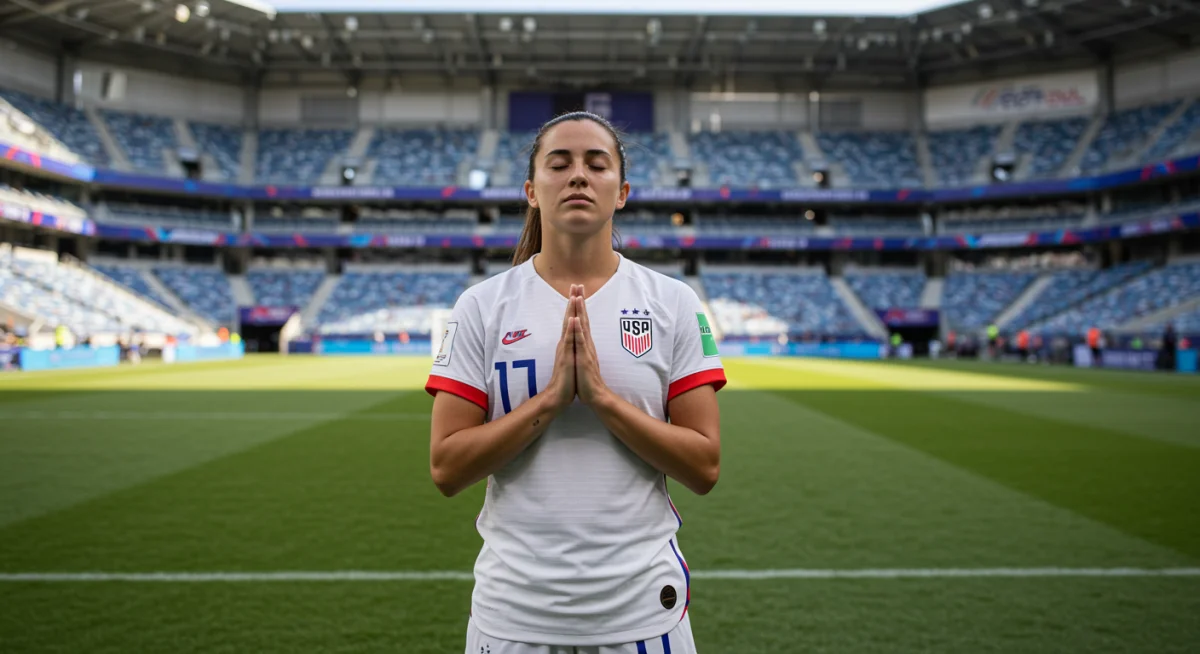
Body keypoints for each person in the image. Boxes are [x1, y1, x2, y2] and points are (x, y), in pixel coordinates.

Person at [426, 112, 724, 654]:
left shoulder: (673, 303)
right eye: (558, 164)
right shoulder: (482, 306)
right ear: (532, 191)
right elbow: (446, 468)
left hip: (638, 615)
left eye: (597, 164)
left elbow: (704, 467)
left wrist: (604, 402)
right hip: (513, 616)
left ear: (623, 191)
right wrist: (549, 403)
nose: (579, 176)